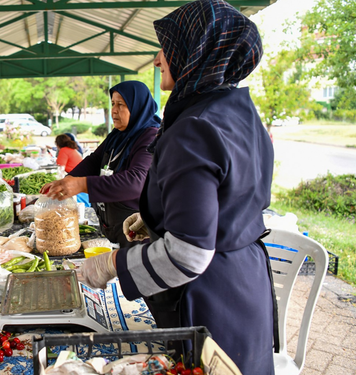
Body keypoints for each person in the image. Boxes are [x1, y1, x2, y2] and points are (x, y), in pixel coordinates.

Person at [81, 1, 275, 373]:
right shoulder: (239, 111)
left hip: (210, 295)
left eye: (166, 47)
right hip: (245, 285)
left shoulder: (193, 128)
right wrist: (159, 215)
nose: (158, 59)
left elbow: (188, 255)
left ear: (194, 51)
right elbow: (230, 196)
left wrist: (111, 265)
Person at [41, 81, 160, 248]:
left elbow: (136, 182)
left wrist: (82, 184)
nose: (114, 110)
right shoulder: (117, 135)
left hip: (137, 233)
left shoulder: (150, 137)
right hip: (114, 225)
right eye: (112, 104)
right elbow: (94, 161)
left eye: (121, 104)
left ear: (137, 106)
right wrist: (66, 182)